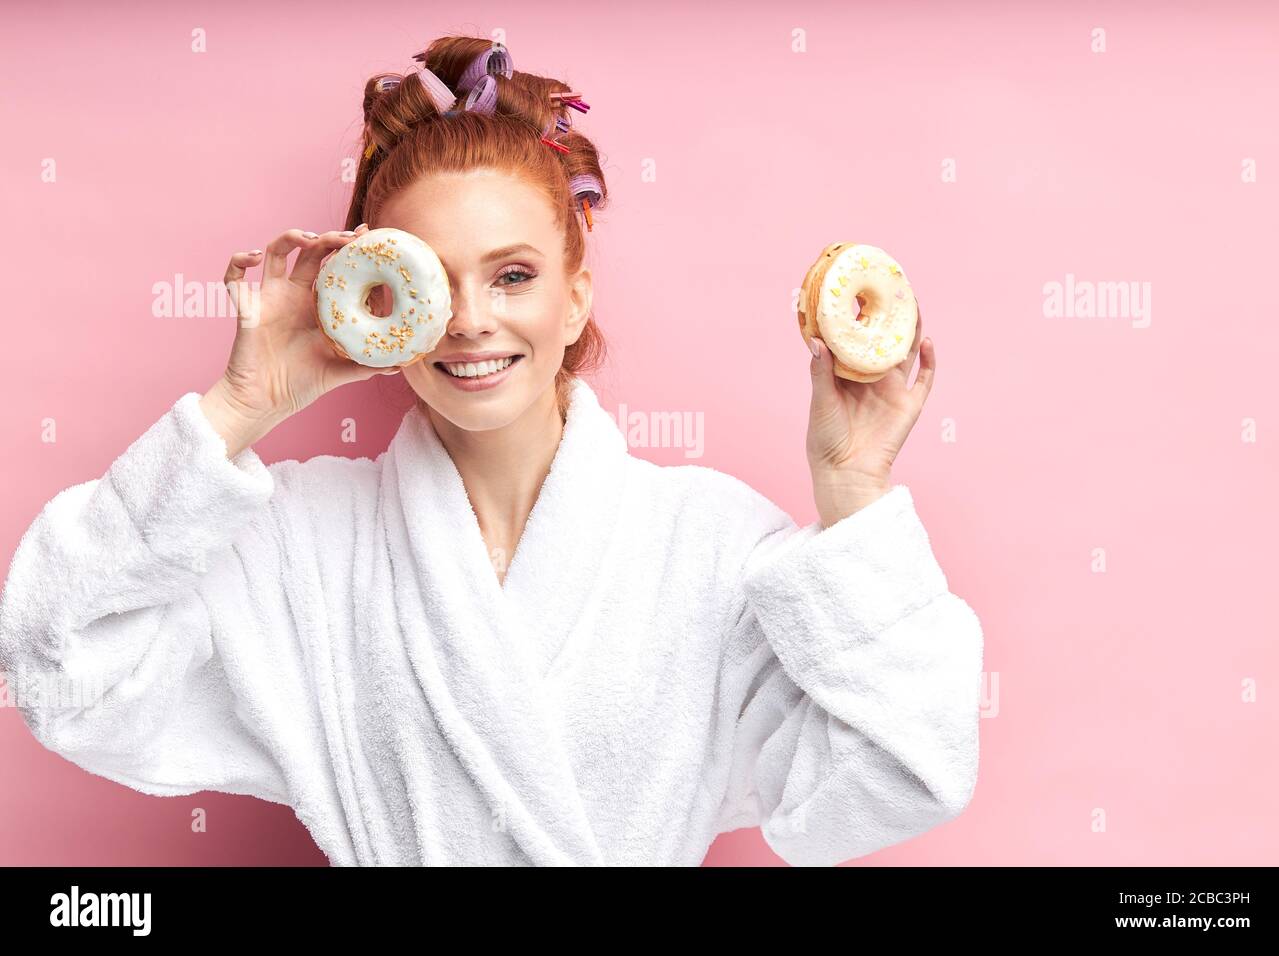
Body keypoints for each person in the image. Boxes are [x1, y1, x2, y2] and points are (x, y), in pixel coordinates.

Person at [0, 36, 983, 866]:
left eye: (512, 274)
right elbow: (54, 668)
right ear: (379, 302)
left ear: (576, 296)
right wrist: (240, 405)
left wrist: (854, 492)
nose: (470, 322)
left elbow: (905, 770)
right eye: (432, 280)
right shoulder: (300, 543)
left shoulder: (708, 546)